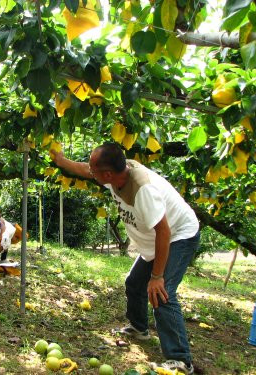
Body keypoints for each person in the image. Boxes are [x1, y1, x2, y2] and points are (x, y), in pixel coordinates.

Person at [51, 142, 200, 375]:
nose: (90, 171)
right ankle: (139, 328)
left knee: (162, 293)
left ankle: (181, 361)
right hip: (156, 240)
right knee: (134, 282)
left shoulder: (143, 190)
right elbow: (84, 169)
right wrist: (61, 161)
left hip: (179, 235)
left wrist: (158, 276)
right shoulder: (117, 174)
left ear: (107, 174)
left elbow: (164, 231)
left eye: (94, 168)